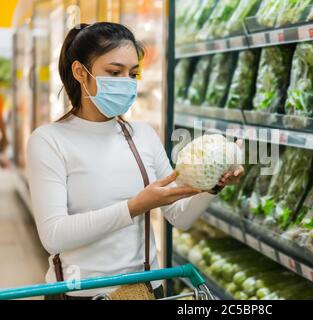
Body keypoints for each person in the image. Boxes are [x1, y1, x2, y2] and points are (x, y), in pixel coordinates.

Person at [26, 22, 244, 300]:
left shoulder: (141, 135)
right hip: (79, 295)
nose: (126, 82)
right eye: (114, 72)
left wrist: (214, 185)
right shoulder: (49, 141)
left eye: (133, 73)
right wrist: (135, 207)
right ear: (81, 72)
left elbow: (180, 215)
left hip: (145, 290)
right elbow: (54, 235)